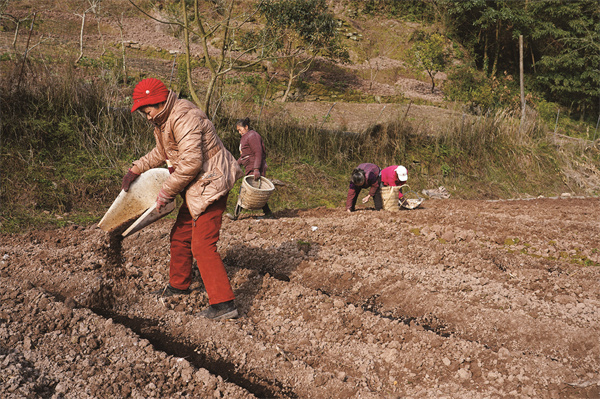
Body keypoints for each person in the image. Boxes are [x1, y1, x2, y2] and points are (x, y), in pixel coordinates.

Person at [121, 78, 243, 320]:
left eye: (148, 110)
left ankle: (224, 304)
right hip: (196, 185)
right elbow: (163, 152)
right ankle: (179, 285)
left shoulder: (184, 116)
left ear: (159, 102)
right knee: (180, 235)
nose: (147, 116)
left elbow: (191, 162)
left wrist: (166, 193)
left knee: (203, 245)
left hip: (212, 183)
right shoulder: (164, 121)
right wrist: (137, 168)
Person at [226, 117, 274, 220]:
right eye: (238, 130)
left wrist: (256, 169)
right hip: (250, 166)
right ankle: (268, 213)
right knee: (254, 190)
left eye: (240, 129)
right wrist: (235, 164)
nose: (239, 132)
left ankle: (236, 215)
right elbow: (244, 156)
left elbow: (258, 153)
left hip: (255, 167)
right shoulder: (245, 137)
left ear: (246, 127)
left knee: (245, 190)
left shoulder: (253, 136)